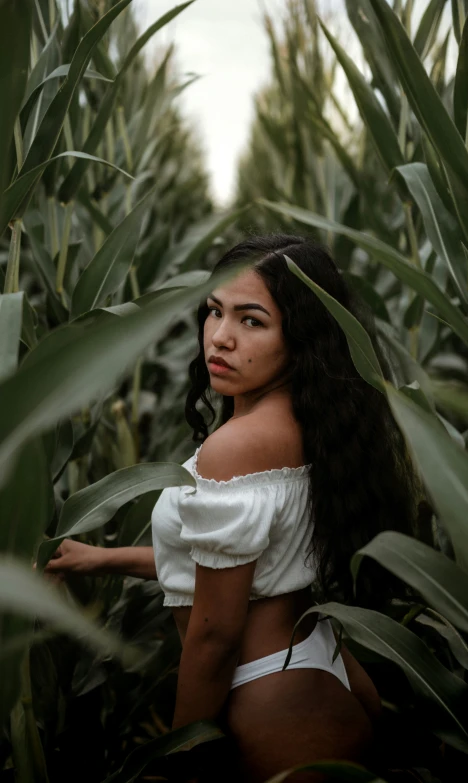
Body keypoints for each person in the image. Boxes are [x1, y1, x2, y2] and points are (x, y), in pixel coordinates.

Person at [45, 235, 425, 782]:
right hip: (320, 665)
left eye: (251, 320)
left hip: (266, 691)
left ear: (299, 336)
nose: (220, 338)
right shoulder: (318, 422)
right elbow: (235, 567)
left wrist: (174, 760)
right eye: (214, 311)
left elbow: (214, 636)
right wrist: (101, 559)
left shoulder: (238, 446)